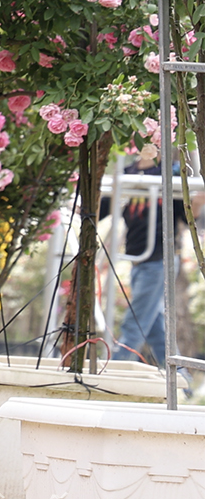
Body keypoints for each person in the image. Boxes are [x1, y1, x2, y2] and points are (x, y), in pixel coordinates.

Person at [106, 153, 190, 363]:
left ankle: (118, 369)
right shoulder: (128, 172)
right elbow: (105, 211)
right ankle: (182, 382)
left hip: (159, 258)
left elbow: (188, 216)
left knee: (134, 323)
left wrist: (197, 200)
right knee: (155, 330)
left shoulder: (172, 171)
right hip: (137, 258)